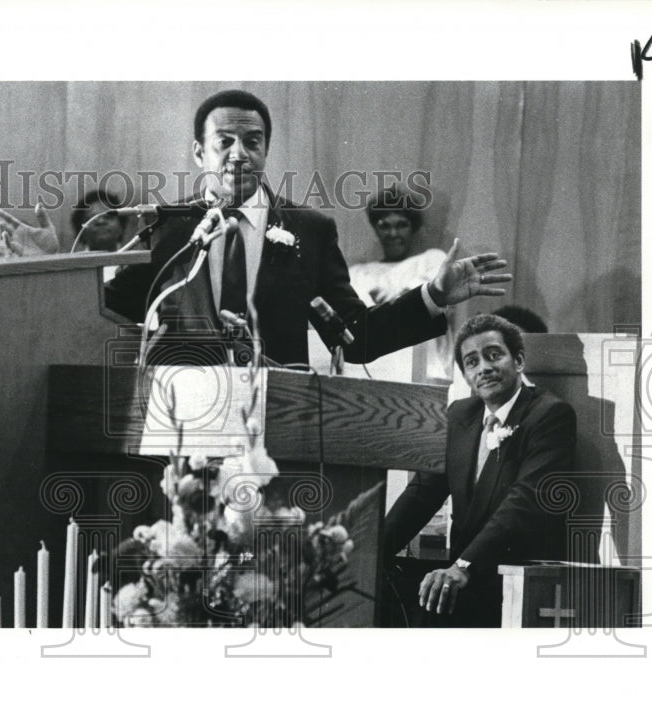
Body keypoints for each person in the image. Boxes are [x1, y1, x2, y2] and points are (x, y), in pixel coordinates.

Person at [98, 89, 512, 367]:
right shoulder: (169, 228)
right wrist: (47, 268)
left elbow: (356, 338)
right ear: (198, 152)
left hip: (279, 430)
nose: (238, 154)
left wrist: (434, 295)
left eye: (252, 141)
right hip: (185, 428)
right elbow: (103, 310)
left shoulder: (310, 231)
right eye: (224, 141)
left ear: (266, 149)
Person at [382, 314, 577, 627]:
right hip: (461, 572)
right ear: (466, 375)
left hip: (515, 575)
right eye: (472, 362)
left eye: (494, 355)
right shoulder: (461, 413)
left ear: (519, 361)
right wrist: (371, 550)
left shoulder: (550, 415)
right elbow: (423, 492)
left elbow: (522, 504)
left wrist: (463, 565)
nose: (483, 368)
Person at [348, 188, 455, 379]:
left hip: (421, 370)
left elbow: (422, 300)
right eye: (384, 225)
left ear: (413, 227)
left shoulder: (432, 260)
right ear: (375, 228)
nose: (393, 233)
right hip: (368, 371)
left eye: (401, 225)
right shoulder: (357, 273)